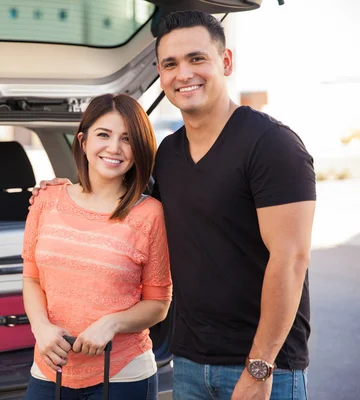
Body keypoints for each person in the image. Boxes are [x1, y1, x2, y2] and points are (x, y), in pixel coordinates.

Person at [31, 10, 316, 400]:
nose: (184, 73)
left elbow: (291, 259)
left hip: (264, 367)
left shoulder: (272, 145)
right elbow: (116, 198)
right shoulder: (168, 153)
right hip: (188, 363)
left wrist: (259, 367)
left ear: (226, 62)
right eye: (170, 64)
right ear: (161, 75)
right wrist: (65, 189)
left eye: (196, 58)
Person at [21, 93, 173, 399]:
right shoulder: (46, 201)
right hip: (50, 367)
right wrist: (41, 328)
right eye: (103, 134)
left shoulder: (151, 214)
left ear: (139, 149)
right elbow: (32, 279)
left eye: (127, 139)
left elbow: (159, 305)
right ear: (83, 140)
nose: (114, 148)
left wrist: (111, 323)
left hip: (123, 374)